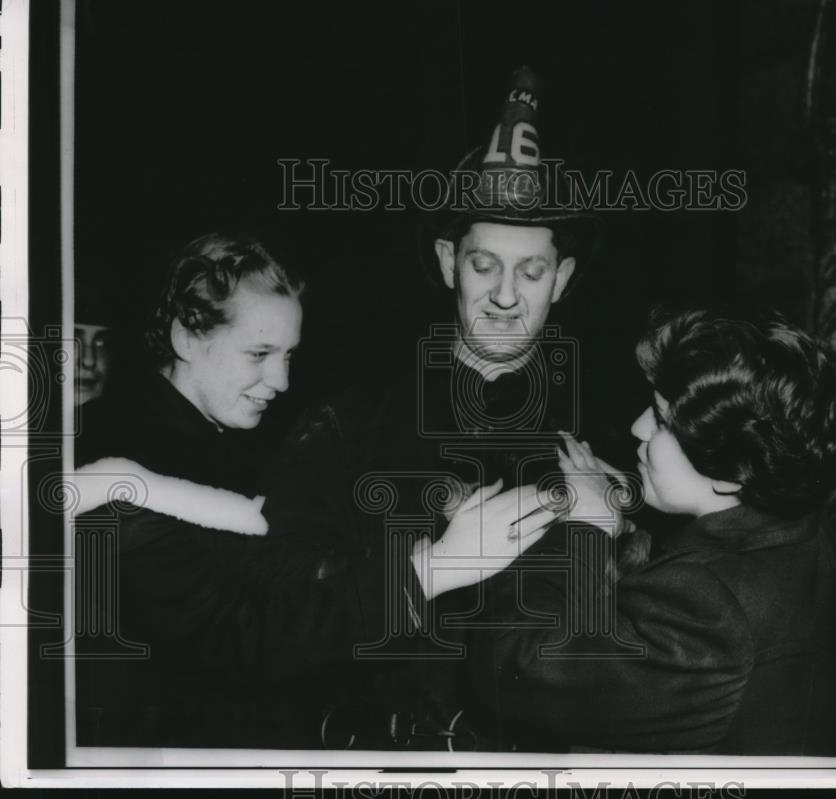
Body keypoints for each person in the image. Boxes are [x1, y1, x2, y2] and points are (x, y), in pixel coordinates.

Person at [73, 233, 553, 749]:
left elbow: (291, 575)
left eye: (288, 356)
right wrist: (434, 568)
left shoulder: (223, 439)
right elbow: (241, 642)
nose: (279, 381)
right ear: (187, 338)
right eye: (258, 353)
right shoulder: (111, 467)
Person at [266, 67, 619, 748]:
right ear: (446, 261)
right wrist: (430, 564)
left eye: (533, 270)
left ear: (563, 279)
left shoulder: (607, 436)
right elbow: (280, 611)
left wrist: (607, 541)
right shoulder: (349, 422)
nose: (507, 295)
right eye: (485, 265)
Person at [463, 309, 836, 755]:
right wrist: (627, 520)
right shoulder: (796, 518)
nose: (638, 427)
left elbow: (509, 672)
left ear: (729, 472)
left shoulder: (708, 610)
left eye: (662, 421)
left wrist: (581, 531)